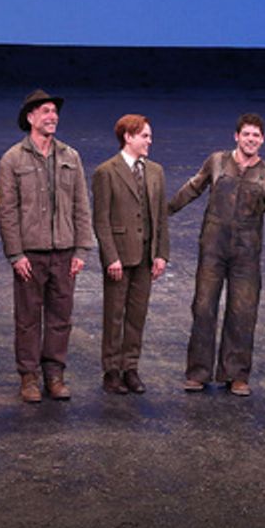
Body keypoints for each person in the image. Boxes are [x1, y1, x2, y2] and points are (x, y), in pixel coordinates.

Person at [169, 112, 265, 396]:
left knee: (243, 313)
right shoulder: (217, 162)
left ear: (262, 140)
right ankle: (198, 372)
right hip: (212, 248)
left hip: (246, 254)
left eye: (256, 136)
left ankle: (236, 374)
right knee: (203, 308)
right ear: (236, 136)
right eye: (246, 134)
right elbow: (192, 188)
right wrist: (164, 211)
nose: (251, 140)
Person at [0, 89, 95, 403]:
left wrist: (81, 250)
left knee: (60, 317)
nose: (52, 116)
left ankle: (54, 374)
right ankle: (28, 377)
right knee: (27, 318)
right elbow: (7, 211)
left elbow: (82, 204)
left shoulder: (70, 156)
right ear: (30, 118)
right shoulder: (12, 159)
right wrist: (15, 254)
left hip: (64, 253)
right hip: (30, 255)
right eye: (45, 111)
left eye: (54, 111)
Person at [90, 114, 169, 394]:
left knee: (137, 314)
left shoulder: (155, 171)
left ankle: (130, 367)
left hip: (146, 256)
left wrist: (161, 254)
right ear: (128, 137)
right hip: (120, 256)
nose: (150, 140)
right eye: (145, 135)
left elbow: (161, 216)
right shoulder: (106, 172)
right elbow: (101, 220)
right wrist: (111, 256)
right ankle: (111, 369)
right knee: (114, 314)